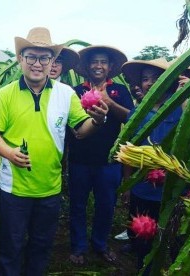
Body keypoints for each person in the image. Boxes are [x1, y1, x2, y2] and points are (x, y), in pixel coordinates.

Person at [0, 27, 108, 276]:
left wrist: (96, 121)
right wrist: (9, 153)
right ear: (21, 58)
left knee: (42, 245)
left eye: (44, 58)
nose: (37, 63)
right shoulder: (3, 95)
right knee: (12, 245)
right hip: (14, 188)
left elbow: (80, 131)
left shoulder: (65, 94)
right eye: (31, 56)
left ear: (53, 61)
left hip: (50, 188)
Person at [120, 57, 190, 272]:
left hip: (175, 189)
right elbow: (128, 150)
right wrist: (127, 183)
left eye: (157, 78)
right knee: (143, 235)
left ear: (170, 82)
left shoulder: (183, 108)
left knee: (175, 235)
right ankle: (145, 266)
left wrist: (187, 97)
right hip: (142, 188)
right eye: (145, 79)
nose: (150, 83)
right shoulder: (137, 113)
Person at [68, 45, 134, 265]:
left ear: (110, 66)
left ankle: (100, 244)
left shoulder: (119, 91)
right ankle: (78, 246)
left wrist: (109, 102)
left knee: (106, 206)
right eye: (94, 62)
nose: (98, 66)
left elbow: (131, 119)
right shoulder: (75, 91)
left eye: (103, 62)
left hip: (109, 162)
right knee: (77, 205)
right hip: (79, 160)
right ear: (87, 66)